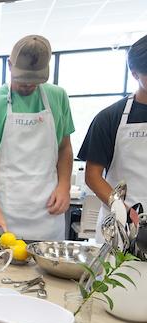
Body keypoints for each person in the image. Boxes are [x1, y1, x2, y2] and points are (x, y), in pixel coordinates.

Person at [0, 35, 75, 241]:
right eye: (22, 79)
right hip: (6, 214)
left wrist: (64, 186)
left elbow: (64, 148)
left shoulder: (58, 98)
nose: (28, 85)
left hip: (48, 215)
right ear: (10, 66)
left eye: (35, 81)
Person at [78, 34, 147, 242]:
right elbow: (92, 175)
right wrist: (121, 209)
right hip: (119, 225)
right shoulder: (110, 118)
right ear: (135, 74)